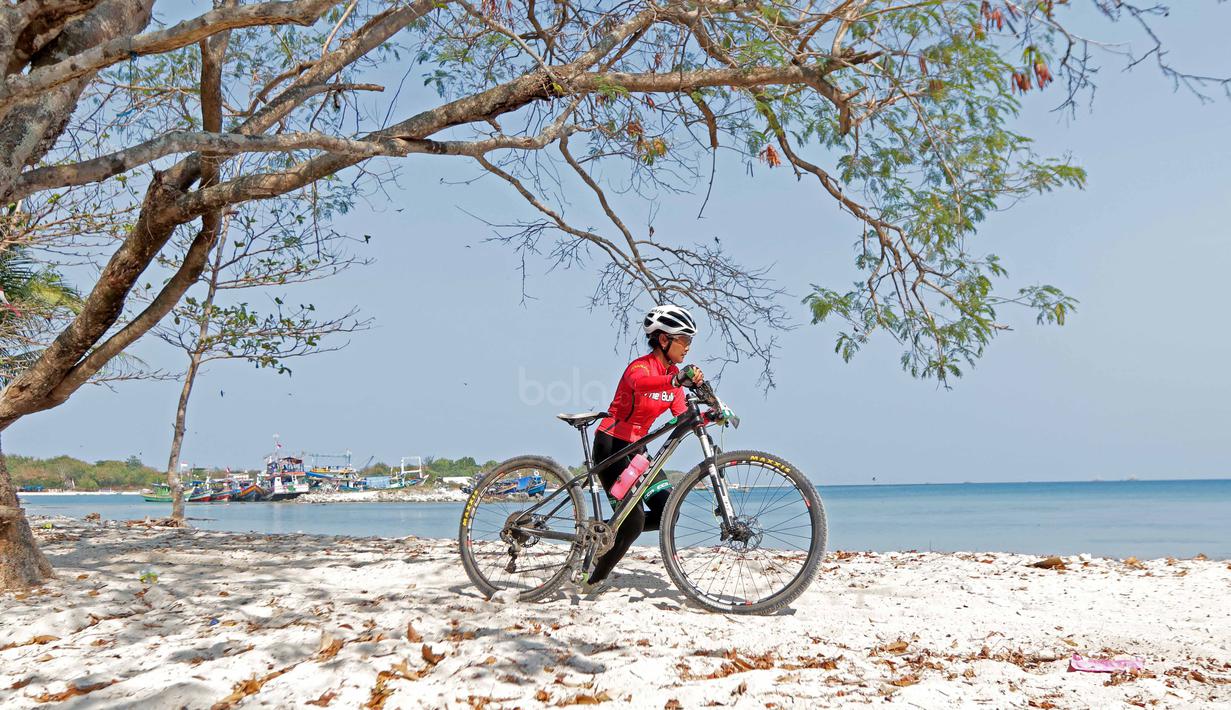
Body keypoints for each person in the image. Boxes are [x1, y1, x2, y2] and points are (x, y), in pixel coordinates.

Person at [582, 304, 704, 594]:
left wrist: (710, 407)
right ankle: (593, 579)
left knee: (668, 512)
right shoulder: (639, 368)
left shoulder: (673, 377)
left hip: (637, 451)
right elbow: (640, 385)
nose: (688, 347)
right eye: (684, 340)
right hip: (612, 446)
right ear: (664, 340)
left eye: (690, 341)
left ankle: (609, 531)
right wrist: (676, 379)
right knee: (634, 522)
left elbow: (681, 411)